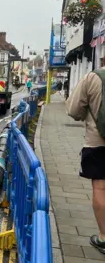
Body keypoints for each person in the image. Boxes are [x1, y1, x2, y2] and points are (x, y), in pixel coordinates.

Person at [66, 71, 105, 254]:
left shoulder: (94, 77)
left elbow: (74, 110)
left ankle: (104, 238)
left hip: (98, 143)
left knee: (100, 187)